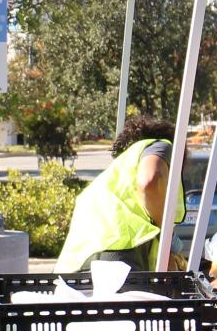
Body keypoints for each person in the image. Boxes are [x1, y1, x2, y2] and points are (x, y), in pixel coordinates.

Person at [55, 116, 186, 273]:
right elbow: (150, 182)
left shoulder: (108, 182)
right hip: (118, 262)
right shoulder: (159, 145)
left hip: (74, 272)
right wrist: (166, 241)